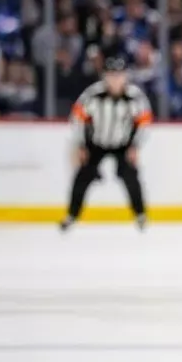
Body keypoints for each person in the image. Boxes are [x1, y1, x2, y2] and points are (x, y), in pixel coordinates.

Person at [61, 53, 151, 231]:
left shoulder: (135, 97)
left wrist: (135, 146)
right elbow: (77, 119)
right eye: (111, 75)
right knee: (82, 177)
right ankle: (71, 215)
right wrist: (81, 145)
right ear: (105, 76)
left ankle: (140, 214)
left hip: (122, 145)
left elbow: (144, 122)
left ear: (125, 75)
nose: (115, 79)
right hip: (96, 143)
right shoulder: (93, 95)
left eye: (119, 75)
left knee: (131, 177)